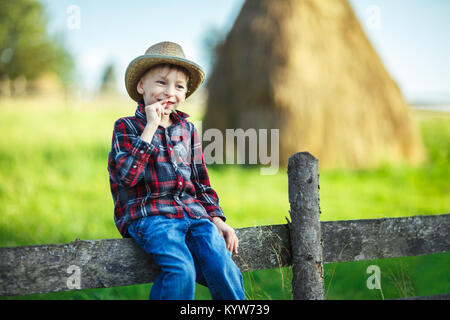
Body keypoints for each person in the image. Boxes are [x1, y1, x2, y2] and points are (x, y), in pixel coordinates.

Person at [107, 41, 245, 300]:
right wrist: (150, 128)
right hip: (151, 216)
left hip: (193, 215)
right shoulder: (126, 127)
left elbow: (201, 183)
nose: (170, 92)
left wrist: (217, 218)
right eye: (161, 83)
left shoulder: (188, 130)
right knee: (182, 270)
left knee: (222, 265)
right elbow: (127, 178)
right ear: (141, 86)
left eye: (179, 86)